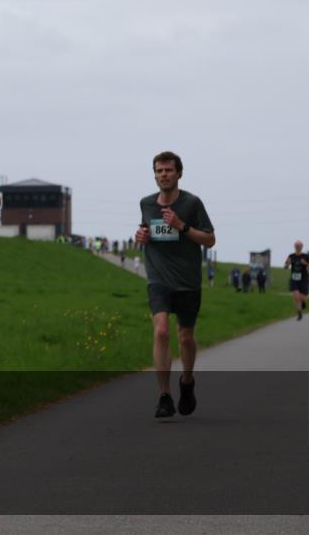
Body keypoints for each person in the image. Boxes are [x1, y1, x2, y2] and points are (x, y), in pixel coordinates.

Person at [134, 151, 215, 418]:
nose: (163, 175)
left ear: (179, 173)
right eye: (158, 171)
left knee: (185, 337)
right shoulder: (146, 203)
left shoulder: (192, 204)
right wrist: (141, 235)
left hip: (187, 281)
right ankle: (164, 395)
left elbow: (210, 240)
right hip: (158, 279)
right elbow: (147, 229)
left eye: (168, 170)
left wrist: (182, 226)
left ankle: (187, 381)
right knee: (160, 331)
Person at [284, 241, 309, 321]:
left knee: (302, 298)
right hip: (294, 279)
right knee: (296, 297)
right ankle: (299, 313)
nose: (297, 247)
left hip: (303, 279)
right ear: (294, 246)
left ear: (302, 247)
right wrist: (287, 264)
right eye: (296, 246)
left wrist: (305, 263)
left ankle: (303, 302)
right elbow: (285, 266)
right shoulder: (291, 256)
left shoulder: (305, 256)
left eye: (299, 246)